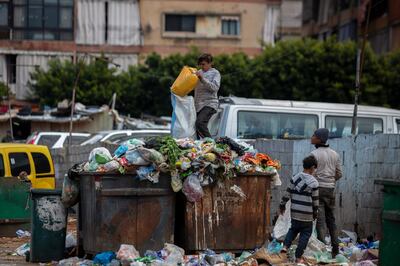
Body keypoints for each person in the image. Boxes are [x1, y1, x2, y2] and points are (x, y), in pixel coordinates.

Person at [280, 155, 319, 263]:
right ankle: (298, 257)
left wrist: (282, 205)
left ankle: (285, 246)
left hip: (295, 213)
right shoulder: (314, 183)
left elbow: (287, 193)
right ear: (312, 167)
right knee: (305, 234)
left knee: (293, 230)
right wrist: (315, 212)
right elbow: (315, 201)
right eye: (315, 168)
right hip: (307, 214)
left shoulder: (295, 178)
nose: (314, 171)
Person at [310, 128, 342, 257]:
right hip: (330, 189)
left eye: (314, 135)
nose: (311, 137)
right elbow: (339, 173)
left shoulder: (313, 154)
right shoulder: (335, 154)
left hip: (318, 189)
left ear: (319, 139)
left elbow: (310, 174)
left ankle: (322, 250)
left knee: (320, 220)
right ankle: (335, 248)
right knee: (331, 219)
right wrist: (330, 180)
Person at [194, 53, 221, 139]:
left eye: (204, 64)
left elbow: (215, 87)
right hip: (198, 105)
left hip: (210, 104)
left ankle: (211, 144)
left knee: (200, 123)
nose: (202, 66)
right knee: (195, 127)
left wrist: (202, 79)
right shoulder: (198, 73)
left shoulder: (215, 73)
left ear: (210, 63)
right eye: (200, 64)